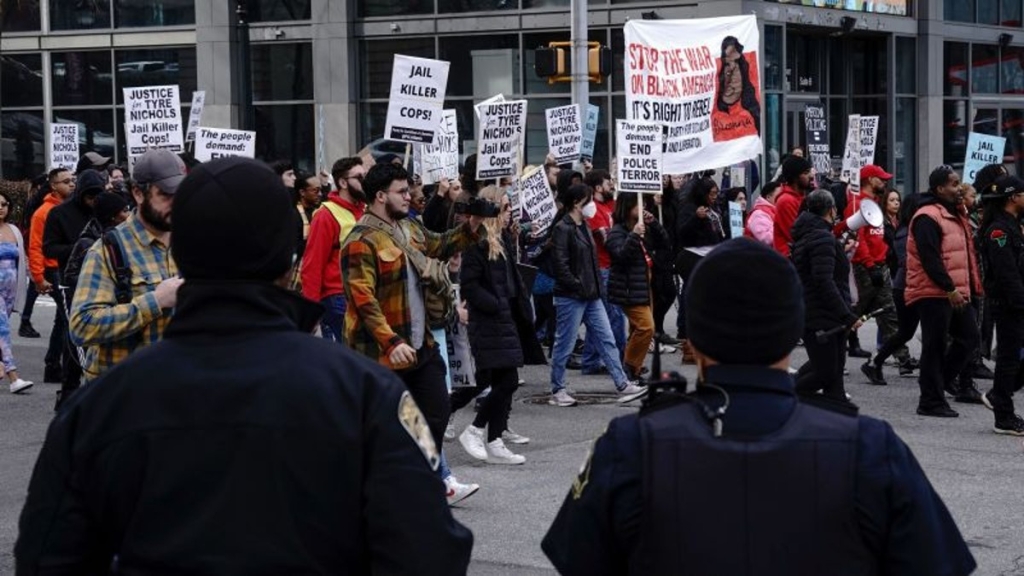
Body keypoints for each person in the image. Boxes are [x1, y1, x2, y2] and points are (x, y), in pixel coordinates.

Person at [15, 157, 474, 575]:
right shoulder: (368, 394)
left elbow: (47, 557)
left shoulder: (97, 409)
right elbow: (430, 550)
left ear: (183, 254)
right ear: (288, 261)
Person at [541, 238, 977, 576]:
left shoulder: (630, 447)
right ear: (792, 334)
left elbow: (579, 560)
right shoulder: (870, 449)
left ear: (696, 337)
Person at [341, 162, 485, 451]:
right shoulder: (360, 240)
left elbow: (441, 245)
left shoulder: (410, 226)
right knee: (386, 423)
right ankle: (396, 477)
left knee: (436, 412)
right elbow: (363, 300)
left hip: (421, 345)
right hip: (381, 353)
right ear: (381, 196)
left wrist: (472, 226)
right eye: (402, 192)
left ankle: (420, 472)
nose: (409, 196)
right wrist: (391, 343)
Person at [68, 149, 185, 384]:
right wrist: (155, 301)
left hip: (177, 392)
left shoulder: (193, 244)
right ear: (138, 193)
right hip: (121, 395)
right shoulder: (108, 250)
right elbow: (82, 326)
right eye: (165, 195)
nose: (176, 203)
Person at [457, 185, 546, 465]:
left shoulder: (503, 239)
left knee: (492, 381)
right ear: (494, 208)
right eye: (506, 208)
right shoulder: (477, 242)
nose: (510, 214)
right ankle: (474, 430)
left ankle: (494, 441)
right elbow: (469, 285)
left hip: (507, 317)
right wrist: (495, 304)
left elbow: (511, 279)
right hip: (490, 320)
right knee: (504, 380)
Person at [547, 184, 646, 407]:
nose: (592, 205)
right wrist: (578, 285)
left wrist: (595, 288)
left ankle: (622, 383)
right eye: (588, 200)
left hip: (591, 294)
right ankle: (558, 388)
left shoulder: (584, 226)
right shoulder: (563, 228)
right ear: (576, 203)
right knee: (565, 342)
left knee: (606, 338)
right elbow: (560, 265)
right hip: (572, 296)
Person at [905, 166, 984, 417]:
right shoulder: (927, 216)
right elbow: (930, 258)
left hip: (954, 291)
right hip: (934, 292)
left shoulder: (955, 213)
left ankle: (940, 384)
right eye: (953, 183)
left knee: (970, 338)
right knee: (934, 346)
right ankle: (929, 400)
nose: (958, 187)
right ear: (939, 189)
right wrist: (949, 288)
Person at [791, 190, 861, 402]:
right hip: (822, 314)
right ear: (831, 210)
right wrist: (846, 315)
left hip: (822, 312)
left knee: (834, 374)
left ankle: (837, 414)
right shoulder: (821, 237)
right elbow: (824, 280)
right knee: (827, 373)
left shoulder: (813, 234)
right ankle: (783, 393)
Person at [842, 165, 912, 368]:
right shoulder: (857, 204)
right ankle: (828, 351)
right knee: (853, 312)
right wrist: (870, 265)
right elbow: (859, 238)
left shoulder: (873, 203)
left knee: (888, 311)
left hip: (876, 265)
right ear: (870, 180)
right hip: (865, 267)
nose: (885, 182)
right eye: (880, 178)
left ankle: (903, 358)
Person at [45, 167, 103, 402]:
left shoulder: (103, 210)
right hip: (71, 281)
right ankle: (69, 389)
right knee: (74, 334)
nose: (93, 201)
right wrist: (82, 248)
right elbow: (49, 248)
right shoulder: (59, 214)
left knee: (99, 332)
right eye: (89, 197)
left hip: (101, 278)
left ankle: (96, 387)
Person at [300, 156, 366, 341]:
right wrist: (311, 313)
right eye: (359, 177)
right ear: (343, 182)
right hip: (338, 298)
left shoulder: (367, 210)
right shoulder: (325, 215)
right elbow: (312, 265)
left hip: (364, 295)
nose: (365, 181)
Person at [862, 192, 924, 387]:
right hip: (908, 286)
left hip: (909, 285)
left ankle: (876, 362)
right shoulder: (907, 231)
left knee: (905, 332)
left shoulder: (907, 228)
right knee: (908, 331)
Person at [978, 175, 1024, 435]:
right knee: (1008, 358)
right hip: (1009, 304)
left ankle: (999, 394)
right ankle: (1003, 416)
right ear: (1013, 198)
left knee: (1011, 358)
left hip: (1016, 302)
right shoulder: (999, 231)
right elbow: (1007, 274)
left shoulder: (1013, 225)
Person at [606, 192, 666, 381]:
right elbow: (620, 256)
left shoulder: (642, 227)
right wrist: (633, 236)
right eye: (638, 205)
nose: (642, 209)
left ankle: (635, 368)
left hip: (644, 285)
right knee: (646, 327)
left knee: (637, 330)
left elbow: (664, 243)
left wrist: (654, 223)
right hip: (629, 287)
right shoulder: (617, 231)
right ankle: (630, 366)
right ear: (627, 207)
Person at [29, 167, 74, 384]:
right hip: (54, 270)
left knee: (62, 319)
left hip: (65, 268)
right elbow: (35, 246)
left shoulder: (71, 208)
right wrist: (38, 277)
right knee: (66, 319)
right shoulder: (43, 213)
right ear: (53, 185)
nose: (71, 184)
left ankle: (53, 364)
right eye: (65, 181)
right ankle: (64, 366)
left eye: (72, 180)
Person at [580, 169, 626, 376]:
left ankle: (591, 360)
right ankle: (616, 360)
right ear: (598, 187)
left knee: (604, 317)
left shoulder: (610, 205)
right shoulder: (592, 209)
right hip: (602, 268)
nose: (611, 185)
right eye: (608, 182)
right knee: (613, 316)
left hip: (613, 267)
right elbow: (607, 239)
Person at [0, 189, 32, 393]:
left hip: (10, 290)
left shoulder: (14, 230)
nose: (0, 208)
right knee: (2, 330)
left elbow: (22, 260)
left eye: (4, 204)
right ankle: (14, 377)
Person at [772, 155, 814, 257]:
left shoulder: (801, 198)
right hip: (790, 260)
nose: (811, 176)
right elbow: (797, 234)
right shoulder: (786, 201)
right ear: (795, 178)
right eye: (806, 173)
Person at [744, 181, 780, 246]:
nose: (782, 198)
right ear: (768, 197)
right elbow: (766, 239)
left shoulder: (774, 211)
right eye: (779, 195)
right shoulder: (758, 214)